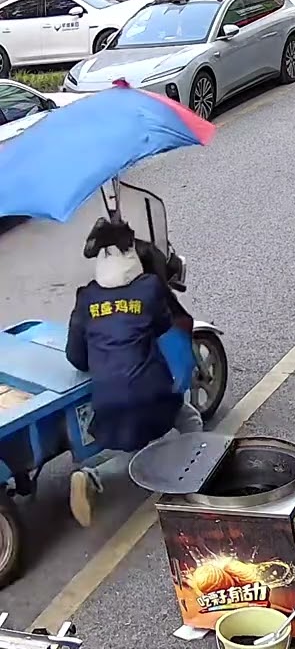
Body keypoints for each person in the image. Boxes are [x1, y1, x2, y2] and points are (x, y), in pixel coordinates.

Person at [65, 217, 202, 527]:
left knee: (132, 441)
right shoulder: (150, 289)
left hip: (106, 397)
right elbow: (170, 338)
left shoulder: (86, 298)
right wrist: (179, 377)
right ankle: (197, 480)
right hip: (147, 392)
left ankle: (89, 473)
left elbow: (75, 356)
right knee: (185, 422)